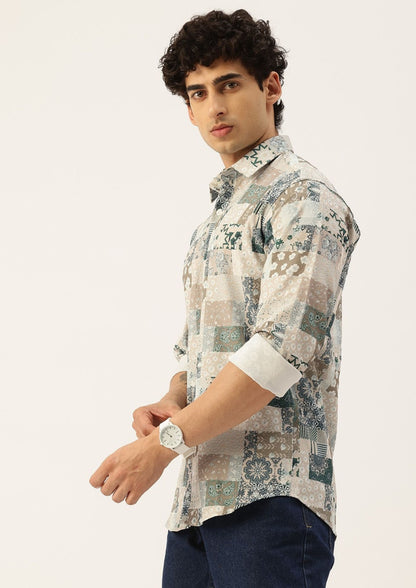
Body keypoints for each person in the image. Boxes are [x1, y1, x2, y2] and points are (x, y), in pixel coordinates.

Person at [89, 8, 361, 587]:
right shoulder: (215, 221)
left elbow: (278, 354)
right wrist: (173, 399)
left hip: (273, 497)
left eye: (229, 84)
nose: (214, 105)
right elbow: (197, 354)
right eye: (198, 92)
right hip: (199, 500)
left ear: (271, 87)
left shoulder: (304, 199)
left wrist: (163, 447)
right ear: (188, 109)